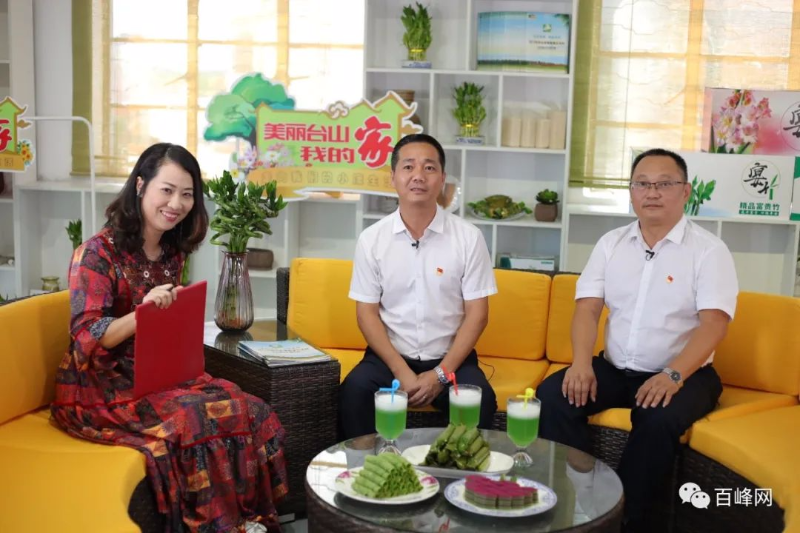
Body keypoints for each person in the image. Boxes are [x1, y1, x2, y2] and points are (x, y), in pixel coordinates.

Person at [51, 143, 288, 533]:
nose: (176, 203)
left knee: (251, 408)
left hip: (156, 372)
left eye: (187, 194)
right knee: (194, 419)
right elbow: (88, 337)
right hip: (101, 384)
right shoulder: (95, 253)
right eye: (167, 190)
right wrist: (142, 314)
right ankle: (217, 526)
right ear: (140, 186)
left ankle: (249, 517)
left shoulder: (171, 252)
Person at [537, 148, 738, 532]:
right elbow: (587, 310)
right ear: (631, 191)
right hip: (616, 368)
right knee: (554, 395)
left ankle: (622, 518)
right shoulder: (611, 244)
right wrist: (581, 364)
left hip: (686, 374)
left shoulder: (709, 251)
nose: (652, 192)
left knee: (657, 418)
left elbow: (714, 325)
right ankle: (575, 500)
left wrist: (673, 375)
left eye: (665, 184)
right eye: (642, 184)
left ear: (685, 191)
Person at [339, 133, 499, 439]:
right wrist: (401, 371)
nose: (418, 176)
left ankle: (457, 470)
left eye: (429, 168)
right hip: (389, 358)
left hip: (451, 359)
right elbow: (366, 314)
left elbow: (478, 314)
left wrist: (440, 375)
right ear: (393, 178)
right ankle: (364, 468)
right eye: (408, 167)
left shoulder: (468, 237)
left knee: (481, 401)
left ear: (442, 179)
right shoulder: (372, 239)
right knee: (354, 392)